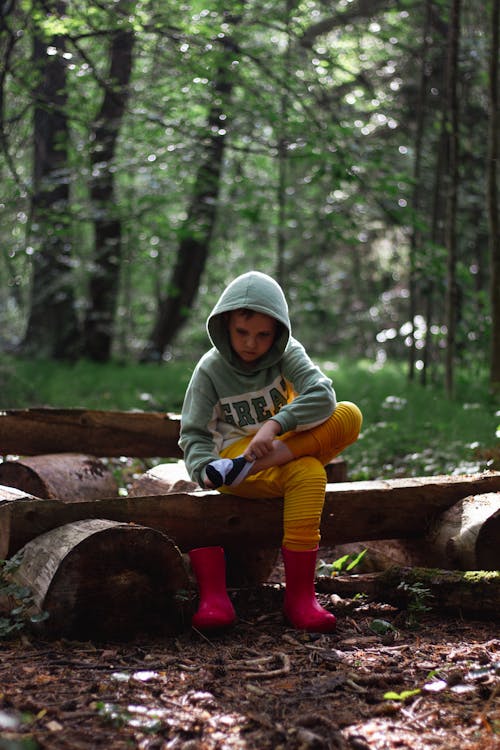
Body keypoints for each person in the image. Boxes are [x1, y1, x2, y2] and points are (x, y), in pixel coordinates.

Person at [179, 271, 362, 633]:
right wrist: (202, 469)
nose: (251, 344)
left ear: (278, 332)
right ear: (225, 325)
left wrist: (274, 426)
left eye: (263, 335)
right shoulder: (211, 369)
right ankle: (296, 598)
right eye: (242, 333)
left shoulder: (287, 354)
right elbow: (194, 433)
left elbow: (323, 395)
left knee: (349, 414)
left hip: (279, 449)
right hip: (234, 457)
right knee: (310, 472)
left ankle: (300, 599)